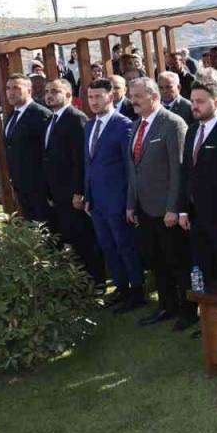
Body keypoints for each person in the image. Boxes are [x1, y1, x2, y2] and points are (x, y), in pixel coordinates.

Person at [123, 78, 193, 330]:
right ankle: (167, 306)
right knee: (157, 262)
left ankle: (188, 310)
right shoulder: (135, 126)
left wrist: (174, 207)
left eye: (138, 95)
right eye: (131, 95)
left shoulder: (173, 123)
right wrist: (131, 204)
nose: (133, 100)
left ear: (154, 97)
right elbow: (134, 170)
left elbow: (179, 170)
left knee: (178, 261)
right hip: (144, 209)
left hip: (167, 210)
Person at [82, 79, 146, 313]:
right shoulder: (89, 125)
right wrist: (88, 196)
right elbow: (88, 164)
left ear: (110, 96)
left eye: (99, 96)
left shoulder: (123, 125)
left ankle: (137, 290)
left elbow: (131, 168)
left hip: (118, 200)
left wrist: (130, 202)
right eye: (90, 97)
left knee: (125, 246)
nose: (94, 101)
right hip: (97, 202)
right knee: (107, 246)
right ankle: (121, 288)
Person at [178, 81, 217, 308]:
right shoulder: (193, 130)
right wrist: (183, 209)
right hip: (196, 216)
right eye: (193, 101)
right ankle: (211, 317)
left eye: (200, 101)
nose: (194, 106)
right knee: (203, 267)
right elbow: (186, 172)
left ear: (216, 102)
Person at [41, 79, 103, 289]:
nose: (49, 95)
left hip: (73, 194)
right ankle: (81, 283)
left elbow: (80, 159)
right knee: (72, 239)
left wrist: (79, 191)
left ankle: (95, 284)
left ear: (68, 95)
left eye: (55, 91)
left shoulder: (75, 118)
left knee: (84, 239)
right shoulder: (53, 119)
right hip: (58, 193)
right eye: (47, 91)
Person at [3, 73, 54, 222]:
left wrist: (48, 189)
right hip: (21, 185)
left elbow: (48, 153)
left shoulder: (41, 114)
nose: (11, 92)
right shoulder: (12, 115)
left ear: (29, 91)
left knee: (46, 230)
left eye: (16, 88)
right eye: (8, 88)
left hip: (39, 186)